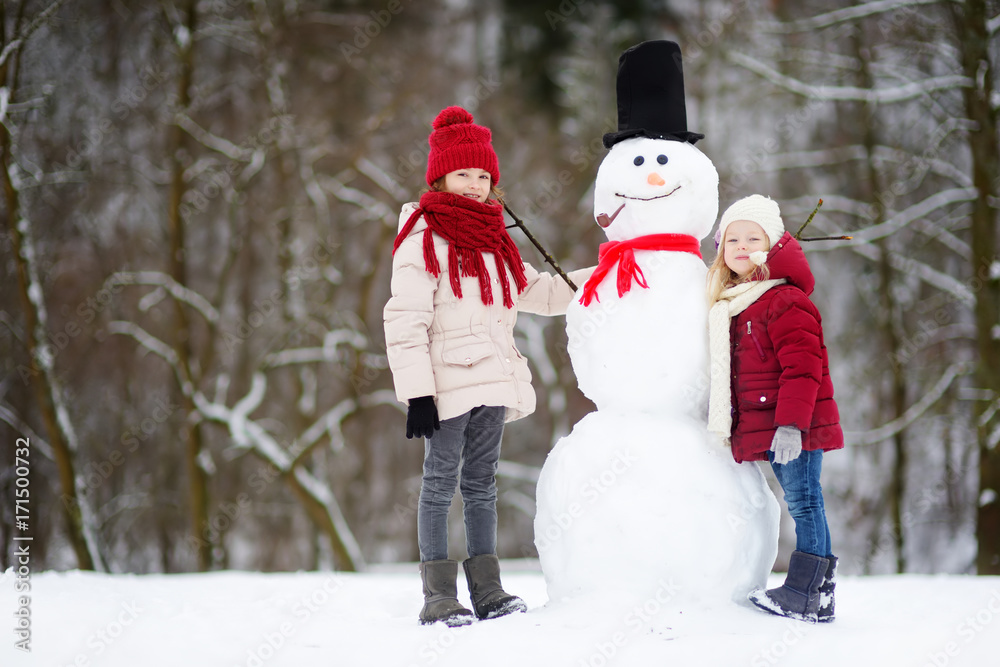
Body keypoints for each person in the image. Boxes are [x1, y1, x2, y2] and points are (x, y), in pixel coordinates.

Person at [384, 106, 594, 627]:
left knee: (482, 485)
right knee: (439, 484)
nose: (476, 185)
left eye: (484, 176)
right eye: (465, 174)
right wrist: (417, 394)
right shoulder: (423, 238)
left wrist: (610, 271)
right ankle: (438, 596)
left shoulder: (495, 241)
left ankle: (489, 591)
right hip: (445, 386)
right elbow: (405, 319)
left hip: (494, 381)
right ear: (440, 176)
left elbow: (542, 294)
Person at [705, 194, 844, 623]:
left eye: (753, 238)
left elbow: (804, 368)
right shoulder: (743, 299)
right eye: (733, 239)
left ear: (772, 245)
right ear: (721, 249)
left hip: (795, 425)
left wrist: (789, 425)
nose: (742, 247)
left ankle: (806, 592)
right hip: (778, 423)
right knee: (804, 500)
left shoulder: (784, 299)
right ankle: (816, 596)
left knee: (804, 501)